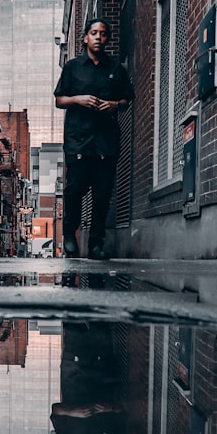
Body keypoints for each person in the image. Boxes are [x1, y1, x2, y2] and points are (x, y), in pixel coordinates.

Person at [54, 18, 134, 260]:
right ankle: (70, 235)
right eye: (94, 33)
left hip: (106, 141)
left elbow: (126, 99)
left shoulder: (116, 69)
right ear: (85, 38)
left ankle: (96, 245)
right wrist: (78, 99)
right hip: (78, 139)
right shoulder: (73, 67)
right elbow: (59, 100)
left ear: (107, 39)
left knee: (102, 194)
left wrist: (113, 105)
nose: (99, 37)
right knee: (74, 190)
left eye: (103, 34)